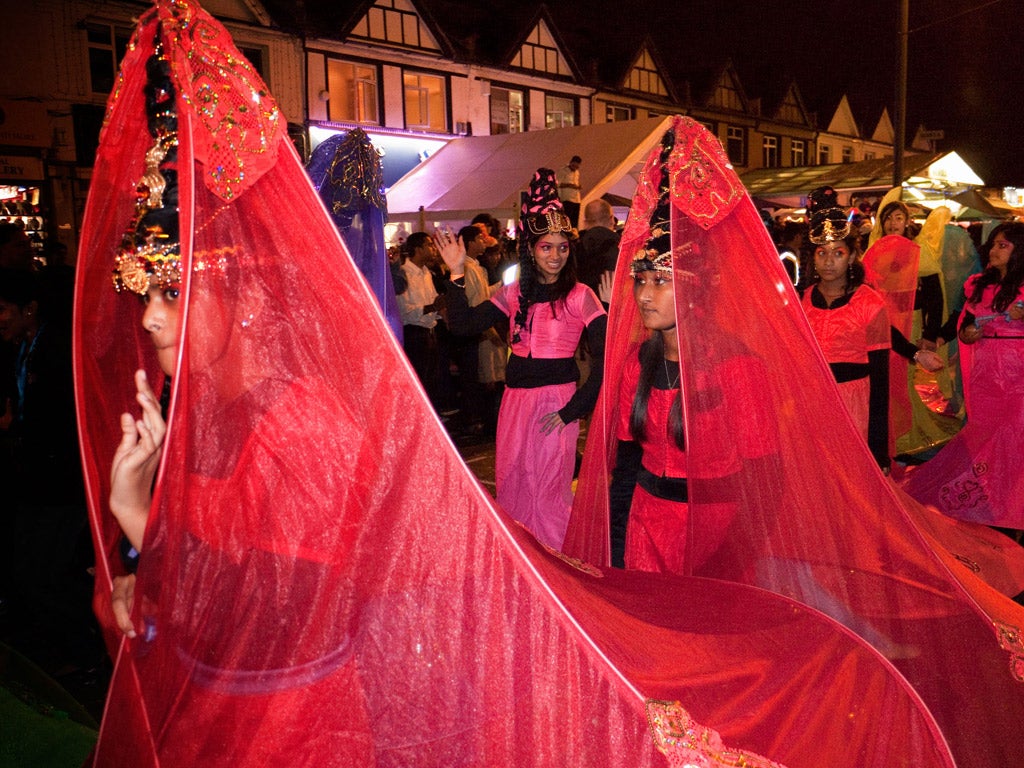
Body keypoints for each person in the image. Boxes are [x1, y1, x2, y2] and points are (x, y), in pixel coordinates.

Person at [565, 117, 1024, 768]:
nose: (645, 291)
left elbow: (767, 476)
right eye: (641, 278)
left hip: (715, 529)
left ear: (694, 285)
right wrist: (613, 544)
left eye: (662, 277)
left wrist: (729, 555)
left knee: (714, 673)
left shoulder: (737, 367)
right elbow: (622, 460)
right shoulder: (636, 364)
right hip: (643, 529)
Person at [438, 190, 606, 551]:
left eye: (562, 248)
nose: (556, 256)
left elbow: (605, 364)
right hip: (514, 404)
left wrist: (570, 412)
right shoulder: (514, 293)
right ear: (531, 249)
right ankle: (523, 571)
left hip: (555, 405)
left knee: (548, 495)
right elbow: (464, 325)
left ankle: (560, 576)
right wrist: (454, 274)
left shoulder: (581, 295)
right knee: (513, 487)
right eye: (547, 247)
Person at [903, 222, 1024, 530]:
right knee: (983, 432)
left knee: (1015, 435)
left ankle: (1010, 500)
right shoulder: (978, 285)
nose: (994, 250)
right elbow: (964, 326)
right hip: (985, 370)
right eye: (994, 244)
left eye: (1002, 245)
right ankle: (985, 494)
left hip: (1018, 370)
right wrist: (968, 334)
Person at [800, 188, 891, 470]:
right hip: (810, 406)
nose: (828, 261)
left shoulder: (870, 303)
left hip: (854, 407)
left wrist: (878, 446)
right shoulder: (800, 302)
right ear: (813, 258)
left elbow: (880, 381)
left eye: (837, 253)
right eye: (821, 253)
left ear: (852, 257)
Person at [396, 231, 443, 407]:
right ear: (418, 249)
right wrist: (433, 306)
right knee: (419, 379)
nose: (433, 249)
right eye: (429, 245)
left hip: (430, 331)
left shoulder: (426, 273)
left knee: (432, 380)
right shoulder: (404, 274)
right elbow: (405, 311)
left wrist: (439, 308)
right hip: (414, 333)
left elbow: (433, 300)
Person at [576, 198, 620, 301]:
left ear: (585, 221)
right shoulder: (618, 248)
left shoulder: (574, 248)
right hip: (608, 306)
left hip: (581, 307)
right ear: (611, 219)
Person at [555, 155, 582, 228]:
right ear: (571, 163)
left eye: (577, 166)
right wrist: (569, 185)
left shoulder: (577, 172)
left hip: (577, 199)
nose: (575, 168)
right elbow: (557, 184)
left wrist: (577, 187)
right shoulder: (563, 170)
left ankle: (574, 234)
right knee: (567, 219)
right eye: (574, 166)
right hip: (567, 198)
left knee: (574, 221)